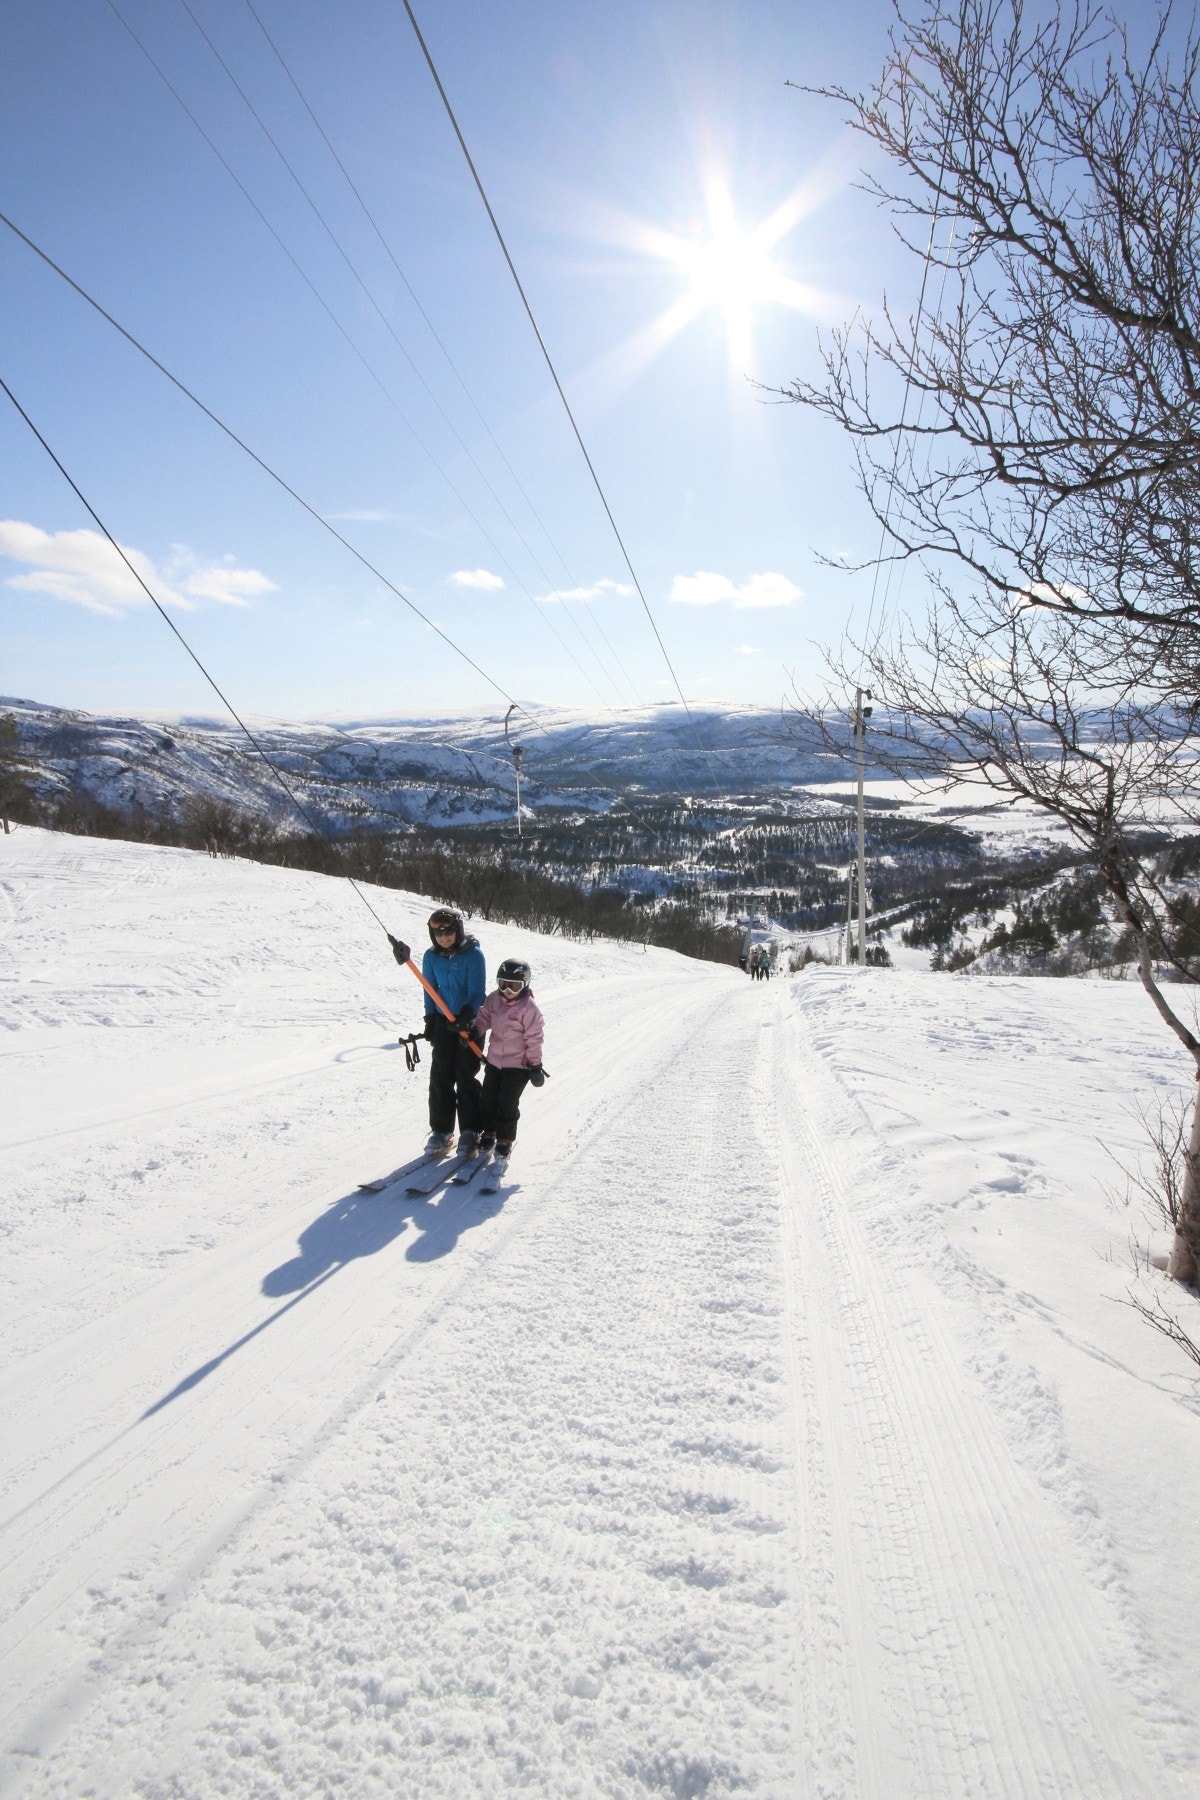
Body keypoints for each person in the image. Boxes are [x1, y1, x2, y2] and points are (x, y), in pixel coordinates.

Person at [404, 906, 486, 1154]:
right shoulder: (431, 957)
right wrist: (430, 1019)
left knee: (465, 1074)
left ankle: (471, 1131)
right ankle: (442, 1131)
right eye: (438, 933)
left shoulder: (473, 955)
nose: (444, 937)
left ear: (458, 930)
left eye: (449, 931)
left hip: (469, 1023)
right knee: (440, 1075)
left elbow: (476, 992)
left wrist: (466, 1015)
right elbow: (429, 989)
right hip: (443, 1022)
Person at [470, 957, 545, 1166]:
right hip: (494, 1062)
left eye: (514, 986)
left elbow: (534, 1039)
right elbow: (484, 1016)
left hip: (518, 1067)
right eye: (503, 984)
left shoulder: (529, 1009)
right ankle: (489, 1132)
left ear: (525, 985)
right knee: (488, 1099)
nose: (508, 990)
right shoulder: (494, 999)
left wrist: (535, 1066)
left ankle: (505, 1139)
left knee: (507, 1103)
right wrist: (476, 1029)